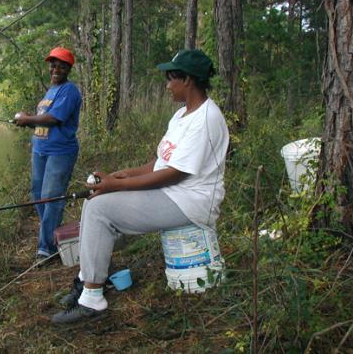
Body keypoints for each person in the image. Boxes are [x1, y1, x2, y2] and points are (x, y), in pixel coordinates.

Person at [51, 49, 229, 324]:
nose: (167, 86)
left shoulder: (207, 119)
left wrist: (116, 187)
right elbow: (161, 162)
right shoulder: (182, 115)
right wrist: (121, 176)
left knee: (100, 209)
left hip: (190, 202)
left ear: (189, 81)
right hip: (171, 193)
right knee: (93, 201)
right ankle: (87, 279)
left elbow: (173, 175)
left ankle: (92, 299)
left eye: (171, 79)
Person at [14, 47, 83, 264]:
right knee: (38, 195)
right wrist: (28, 123)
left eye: (61, 65)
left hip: (60, 152)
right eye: (53, 64)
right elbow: (43, 121)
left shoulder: (69, 91)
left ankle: (46, 248)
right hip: (40, 151)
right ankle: (52, 235)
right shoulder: (50, 91)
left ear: (68, 68)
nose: (56, 68)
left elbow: (54, 119)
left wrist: (28, 118)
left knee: (51, 197)